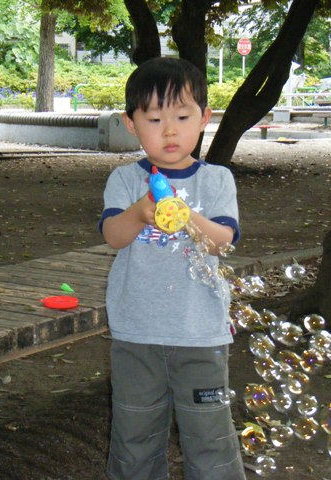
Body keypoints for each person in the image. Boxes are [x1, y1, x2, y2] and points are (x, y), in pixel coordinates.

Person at [99, 57, 246, 480]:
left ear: (204, 118)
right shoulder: (125, 180)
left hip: (200, 335)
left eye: (182, 117)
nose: (169, 131)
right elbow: (113, 236)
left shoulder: (216, 179)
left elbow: (223, 241)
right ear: (131, 124)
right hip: (136, 334)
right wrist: (141, 212)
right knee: (134, 437)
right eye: (154, 119)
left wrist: (186, 216)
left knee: (210, 438)